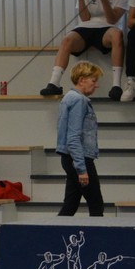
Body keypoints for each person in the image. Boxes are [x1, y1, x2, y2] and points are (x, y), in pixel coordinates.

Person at [40, 0, 128, 102]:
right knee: (67, 39)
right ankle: (54, 83)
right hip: (87, 27)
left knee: (117, 35)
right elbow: (85, 18)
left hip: (107, 28)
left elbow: (112, 19)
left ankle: (116, 85)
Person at [56, 61, 105, 217]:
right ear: (82, 80)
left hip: (70, 157)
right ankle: (97, 234)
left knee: (70, 205)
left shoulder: (68, 98)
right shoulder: (79, 100)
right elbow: (73, 137)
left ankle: (53, 231)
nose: (96, 85)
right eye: (93, 80)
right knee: (96, 205)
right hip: (79, 158)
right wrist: (81, 169)